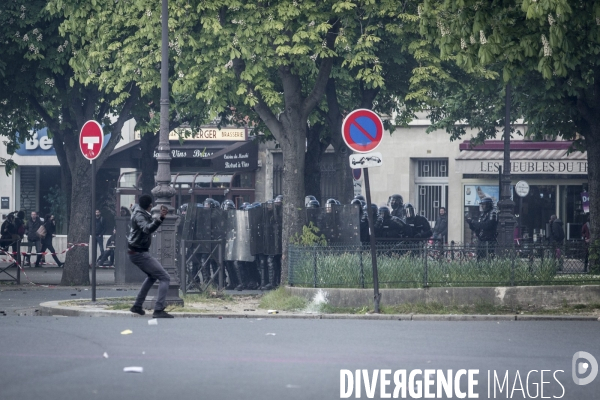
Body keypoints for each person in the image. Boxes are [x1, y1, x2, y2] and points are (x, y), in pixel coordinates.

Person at [128, 194, 173, 318]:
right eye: (151, 205)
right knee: (165, 277)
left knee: (152, 276)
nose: (152, 206)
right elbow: (147, 229)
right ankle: (158, 309)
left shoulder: (138, 211)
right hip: (138, 252)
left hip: (136, 251)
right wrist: (160, 218)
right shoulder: (139, 215)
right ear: (149, 206)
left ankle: (137, 305)